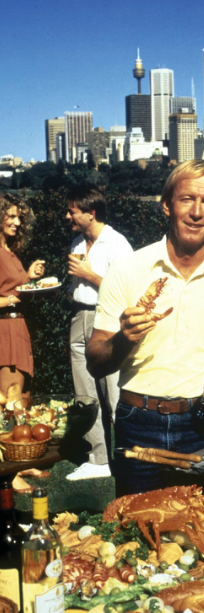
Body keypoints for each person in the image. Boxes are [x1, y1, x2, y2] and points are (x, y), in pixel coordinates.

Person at [86, 160, 204, 496]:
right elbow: (95, 362)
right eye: (187, 199)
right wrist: (124, 339)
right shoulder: (125, 270)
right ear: (167, 204)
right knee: (133, 523)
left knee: (203, 522)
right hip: (137, 423)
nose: (196, 212)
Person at [66, 184, 133, 481]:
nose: (67, 216)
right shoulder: (77, 243)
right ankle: (98, 460)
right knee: (85, 393)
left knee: (113, 392)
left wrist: (89, 275)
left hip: (107, 319)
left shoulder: (117, 244)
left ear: (91, 213)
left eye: (72, 211)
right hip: (79, 316)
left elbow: (127, 291)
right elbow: (78, 287)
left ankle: (129, 457)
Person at [0, 193, 46, 493]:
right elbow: (7, 297)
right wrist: (14, 297)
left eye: (20, 217)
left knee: (20, 398)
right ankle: (7, 473)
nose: (17, 222)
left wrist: (29, 279)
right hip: (3, 329)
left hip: (18, 326)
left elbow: (15, 290)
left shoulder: (10, 251)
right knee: (7, 399)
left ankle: (18, 461)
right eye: (11, 216)